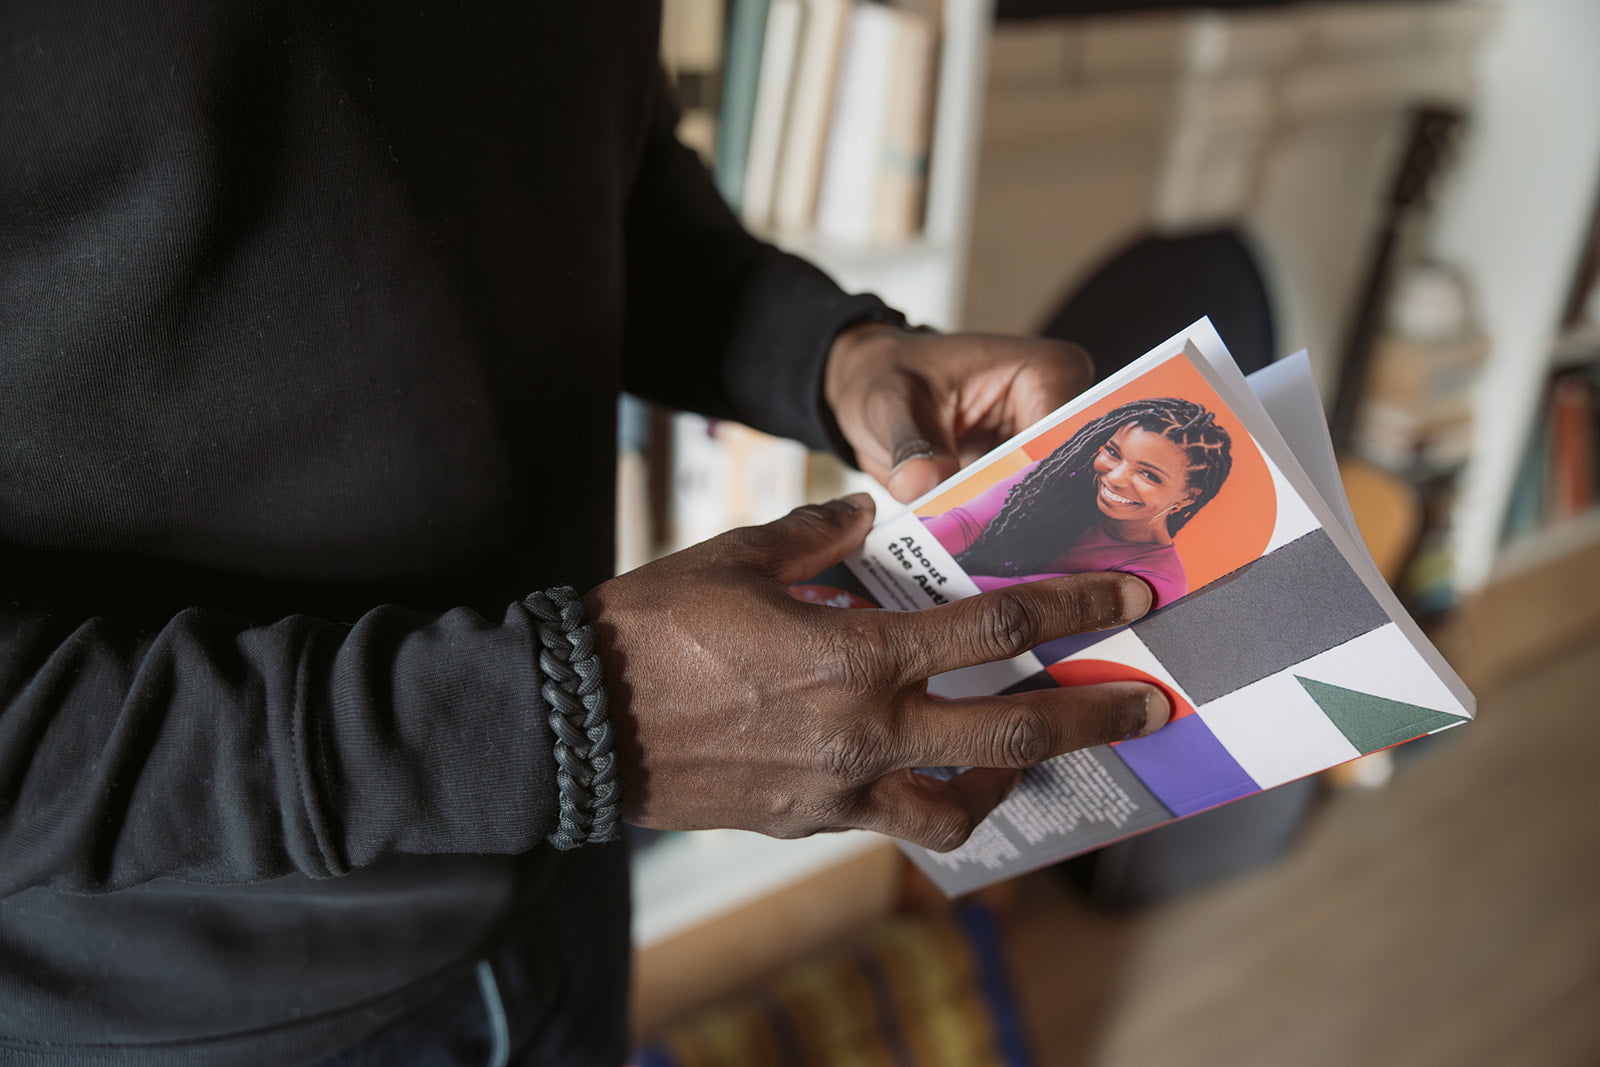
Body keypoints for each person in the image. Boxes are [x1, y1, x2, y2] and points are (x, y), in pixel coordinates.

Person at [0, 6, 1171, 1065]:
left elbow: (589, 182)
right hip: (186, 1002)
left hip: (566, 879)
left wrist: (828, 352)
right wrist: (560, 715)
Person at [925, 398, 1233, 606]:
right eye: (1113, 452)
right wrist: (891, 556)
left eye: (1149, 475)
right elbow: (964, 523)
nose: (1115, 478)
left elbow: (1011, 600)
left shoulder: (1159, 581)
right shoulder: (1058, 476)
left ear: (1187, 497)